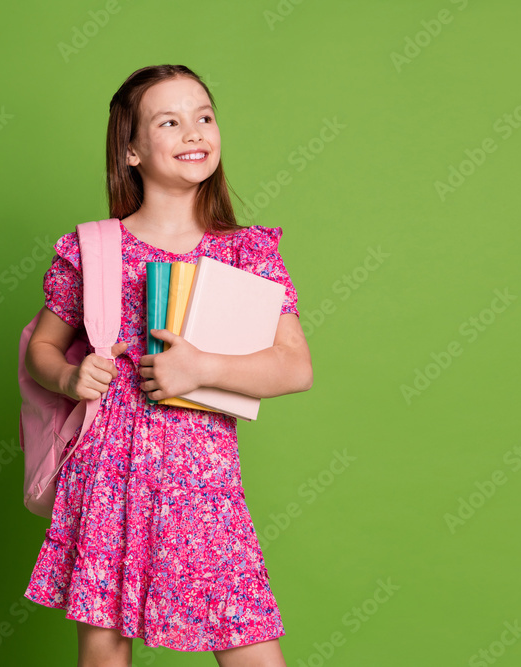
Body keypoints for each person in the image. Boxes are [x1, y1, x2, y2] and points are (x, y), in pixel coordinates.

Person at [22, 64, 313, 666]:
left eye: (204, 116)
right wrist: (68, 377)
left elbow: (294, 367)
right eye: (170, 121)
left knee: (251, 649)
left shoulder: (246, 251)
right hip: (106, 478)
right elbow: (41, 349)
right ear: (130, 149)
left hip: (204, 486)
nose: (194, 132)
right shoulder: (93, 249)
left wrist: (200, 367)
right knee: (104, 655)